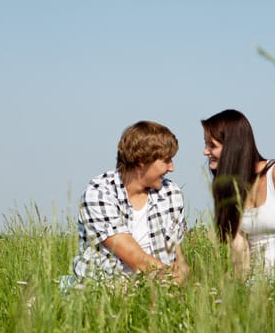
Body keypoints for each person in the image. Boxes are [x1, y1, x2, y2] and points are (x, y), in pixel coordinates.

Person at [201, 109, 275, 275]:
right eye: (205, 144)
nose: (205, 151)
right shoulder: (226, 187)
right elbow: (239, 248)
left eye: (212, 145)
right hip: (260, 283)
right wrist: (241, 292)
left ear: (232, 147)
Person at [73, 120, 189, 284]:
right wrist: (171, 278)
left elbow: (177, 255)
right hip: (104, 292)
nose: (172, 168)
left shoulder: (172, 194)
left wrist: (182, 276)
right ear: (142, 160)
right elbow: (136, 258)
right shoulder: (99, 193)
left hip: (157, 291)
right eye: (166, 160)